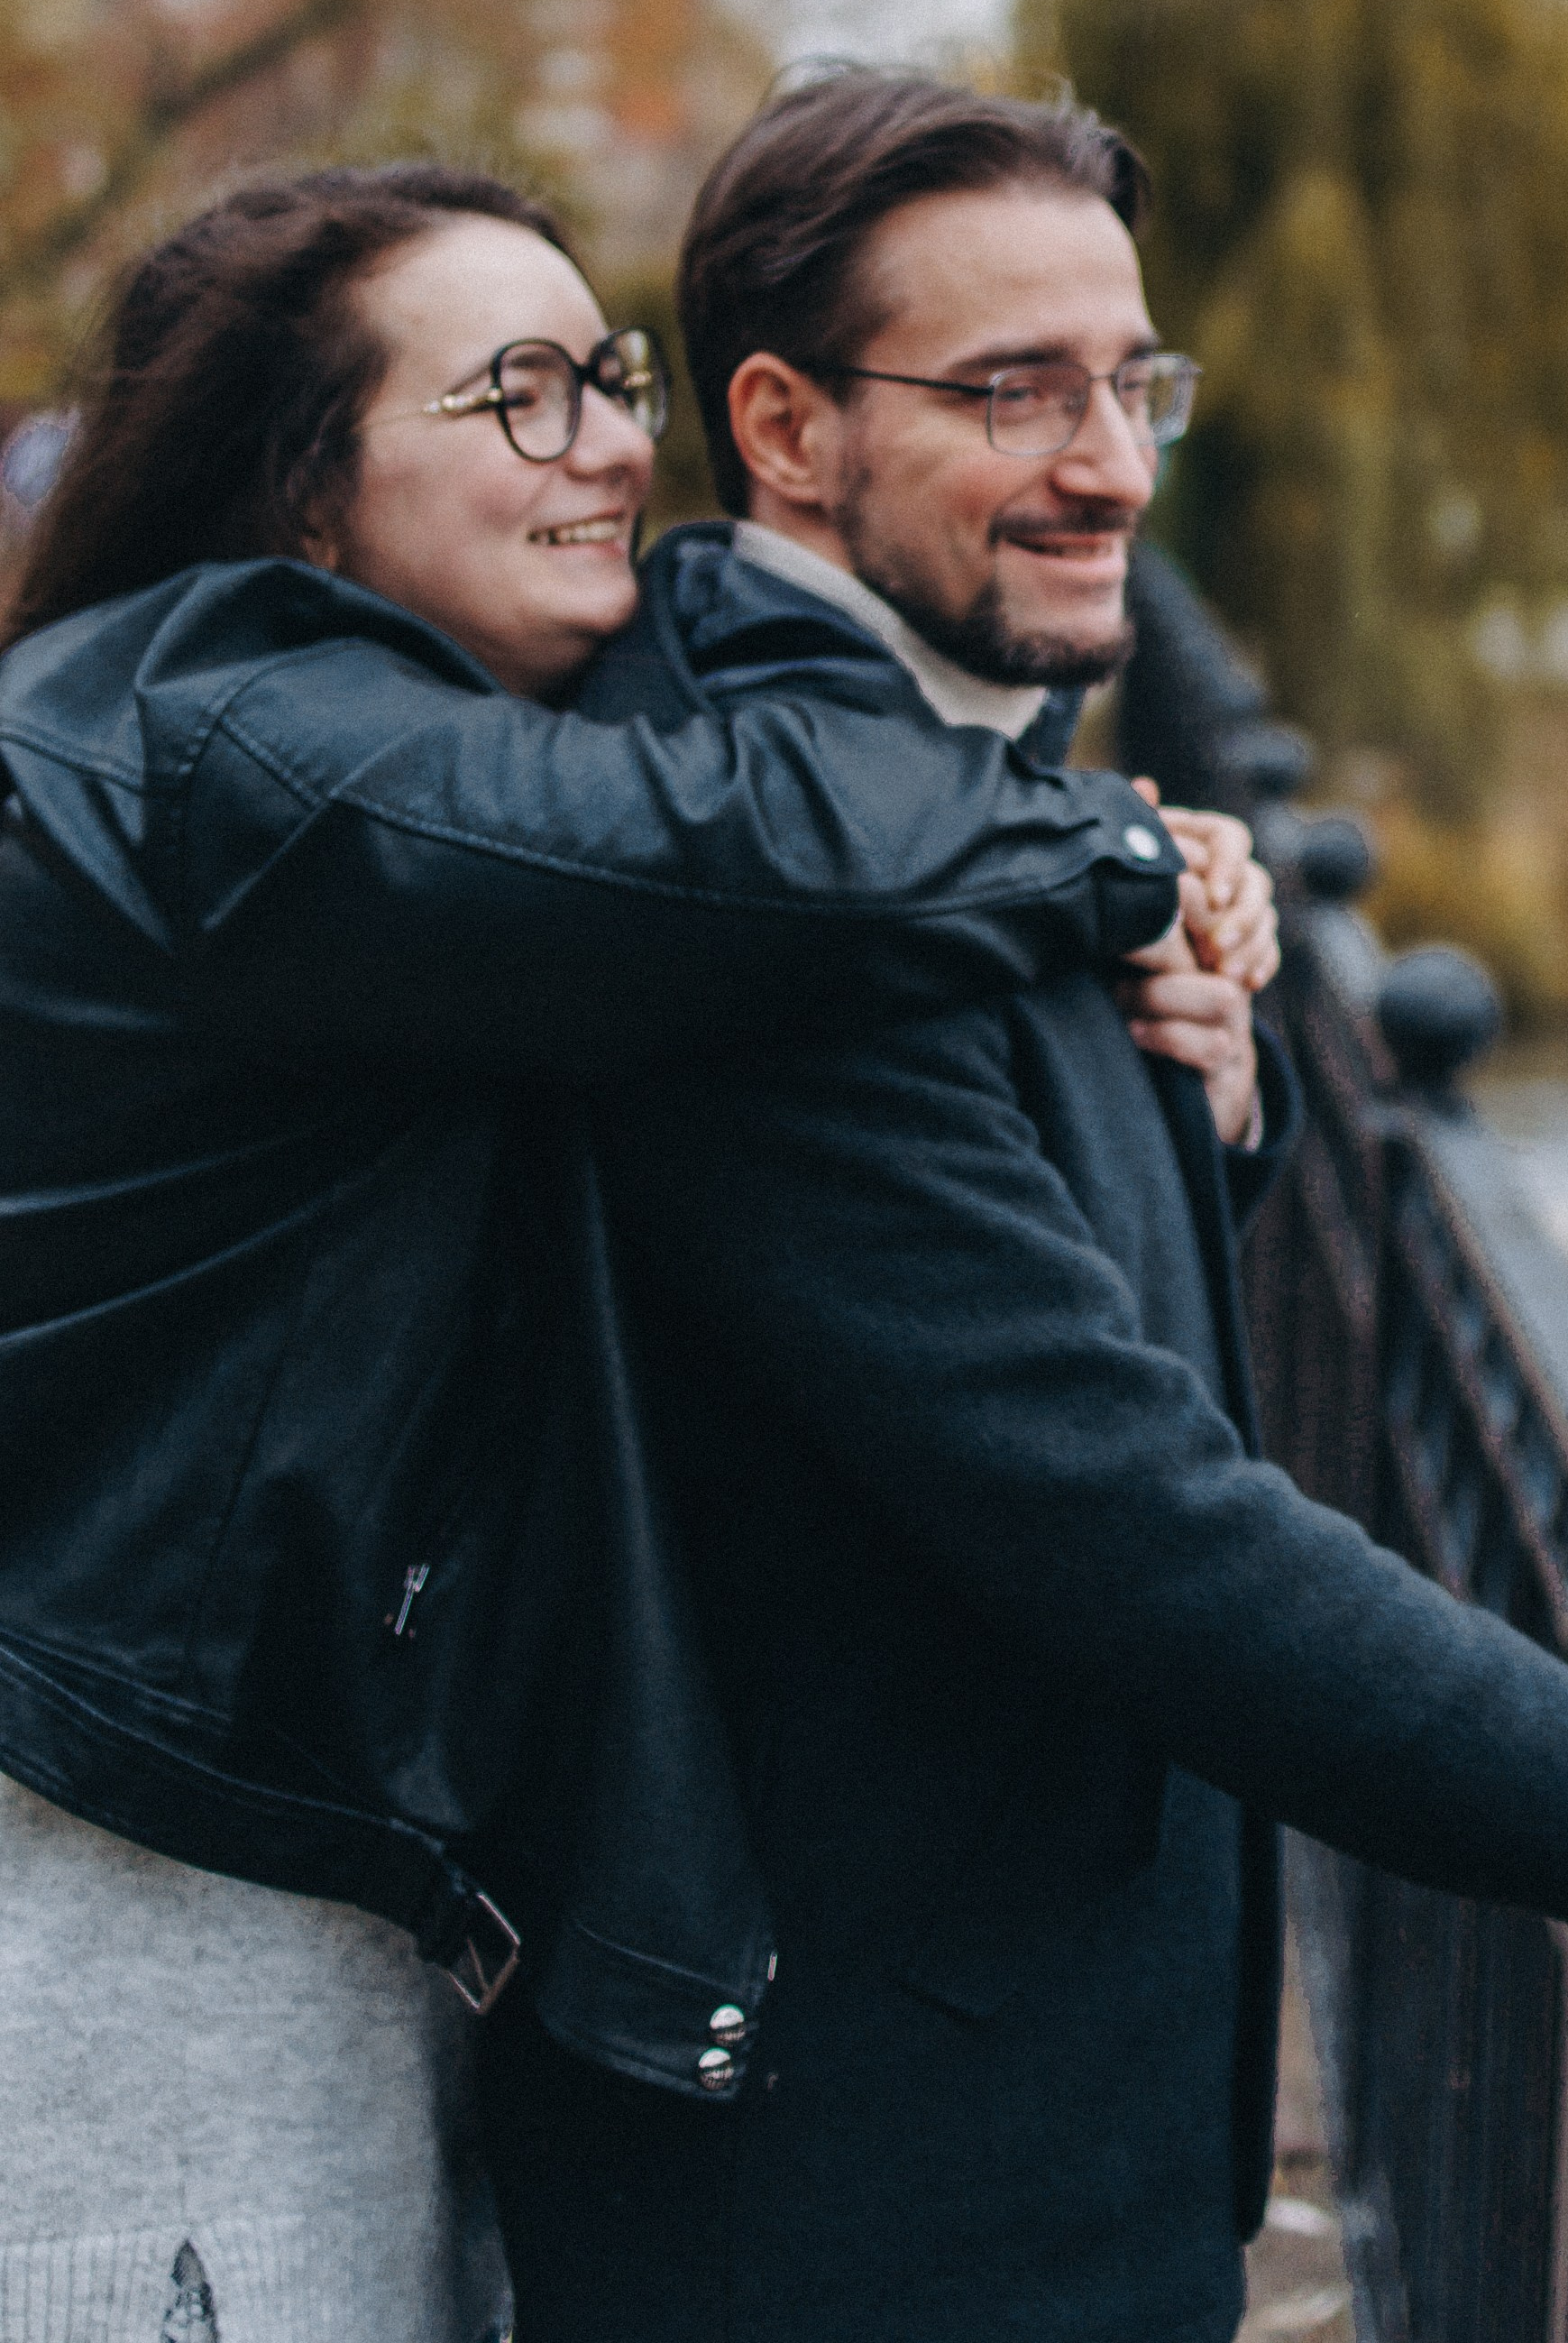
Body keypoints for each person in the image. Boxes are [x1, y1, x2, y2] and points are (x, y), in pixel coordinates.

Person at [481, 69, 1568, 2343]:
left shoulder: (924, 778)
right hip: (864, 2188)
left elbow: (942, 1313)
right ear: (788, 428)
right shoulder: (786, 853)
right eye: (1012, 391)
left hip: (995, 2096)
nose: (1111, 466)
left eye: (1131, 381)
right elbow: (1137, 1525)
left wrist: (1208, 1123)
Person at [0, 161, 1237, 2343]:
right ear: (301, 483)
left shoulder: (325, 749)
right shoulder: (252, 739)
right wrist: (1114, 844)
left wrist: (1198, 1051)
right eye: (522, 391)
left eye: (612, 376)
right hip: (146, 1894)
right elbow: (738, 846)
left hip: (276, 1830)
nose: (608, 445)